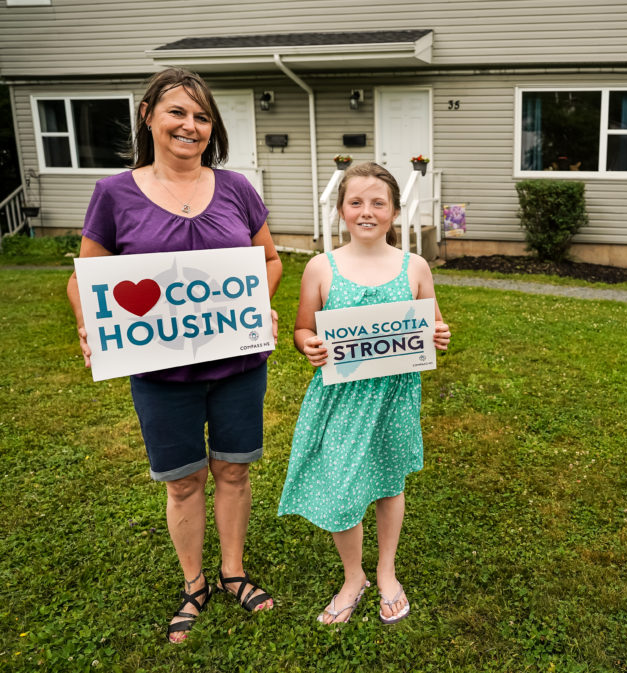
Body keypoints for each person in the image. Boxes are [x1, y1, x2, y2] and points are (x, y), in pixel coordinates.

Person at [66, 67, 281, 643]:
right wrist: (90, 323)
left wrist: (258, 305)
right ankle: (195, 583)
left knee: (234, 470)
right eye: (178, 113)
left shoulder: (236, 187)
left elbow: (271, 261)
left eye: (202, 116)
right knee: (183, 481)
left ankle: (233, 572)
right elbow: (86, 277)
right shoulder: (114, 194)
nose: (191, 125)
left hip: (238, 365)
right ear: (148, 117)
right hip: (162, 373)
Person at [277, 161, 450, 625]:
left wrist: (437, 334)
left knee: (390, 482)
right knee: (341, 487)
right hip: (340, 400)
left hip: (393, 397)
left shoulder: (415, 267)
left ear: (394, 212)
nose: (367, 211)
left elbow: (428, 324)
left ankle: (386, 571)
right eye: (356, 202)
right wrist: (307, 344)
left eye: (378, 203)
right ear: (341, 210)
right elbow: (301, 329)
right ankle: (353, 576)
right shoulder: (320, 267)